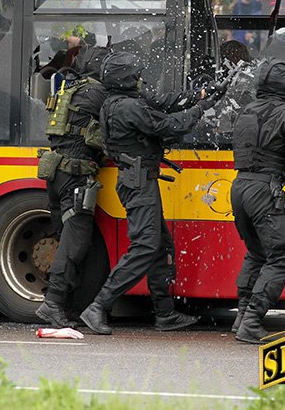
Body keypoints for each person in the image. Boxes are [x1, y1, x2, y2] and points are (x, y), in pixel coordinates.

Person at [79, 51, 219, 335]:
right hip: (138, 181)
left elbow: (161, 105)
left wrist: (199, 95)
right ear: (127, 78)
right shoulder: (128, 107)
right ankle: (98, 305)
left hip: (138, 179)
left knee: (159, 247)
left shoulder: (117, 103)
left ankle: (165, 314)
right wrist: (202, 107)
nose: (140, 79)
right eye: (136, 75)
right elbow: (170, 125)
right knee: (145, 246)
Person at [230, 59, 285, 344]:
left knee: (256, 253)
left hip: (239, 187)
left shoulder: (245, 110)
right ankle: (252, 321)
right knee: (281, 253)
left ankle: (241, 316)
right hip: (265, 190)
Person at [34, 46, 110, 328]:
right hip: (75, 176)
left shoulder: (70, 88)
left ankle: (68, 306)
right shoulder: (99, 93)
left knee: (70, 240)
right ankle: (53, 303)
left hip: (56, 174)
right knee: (74, 244)